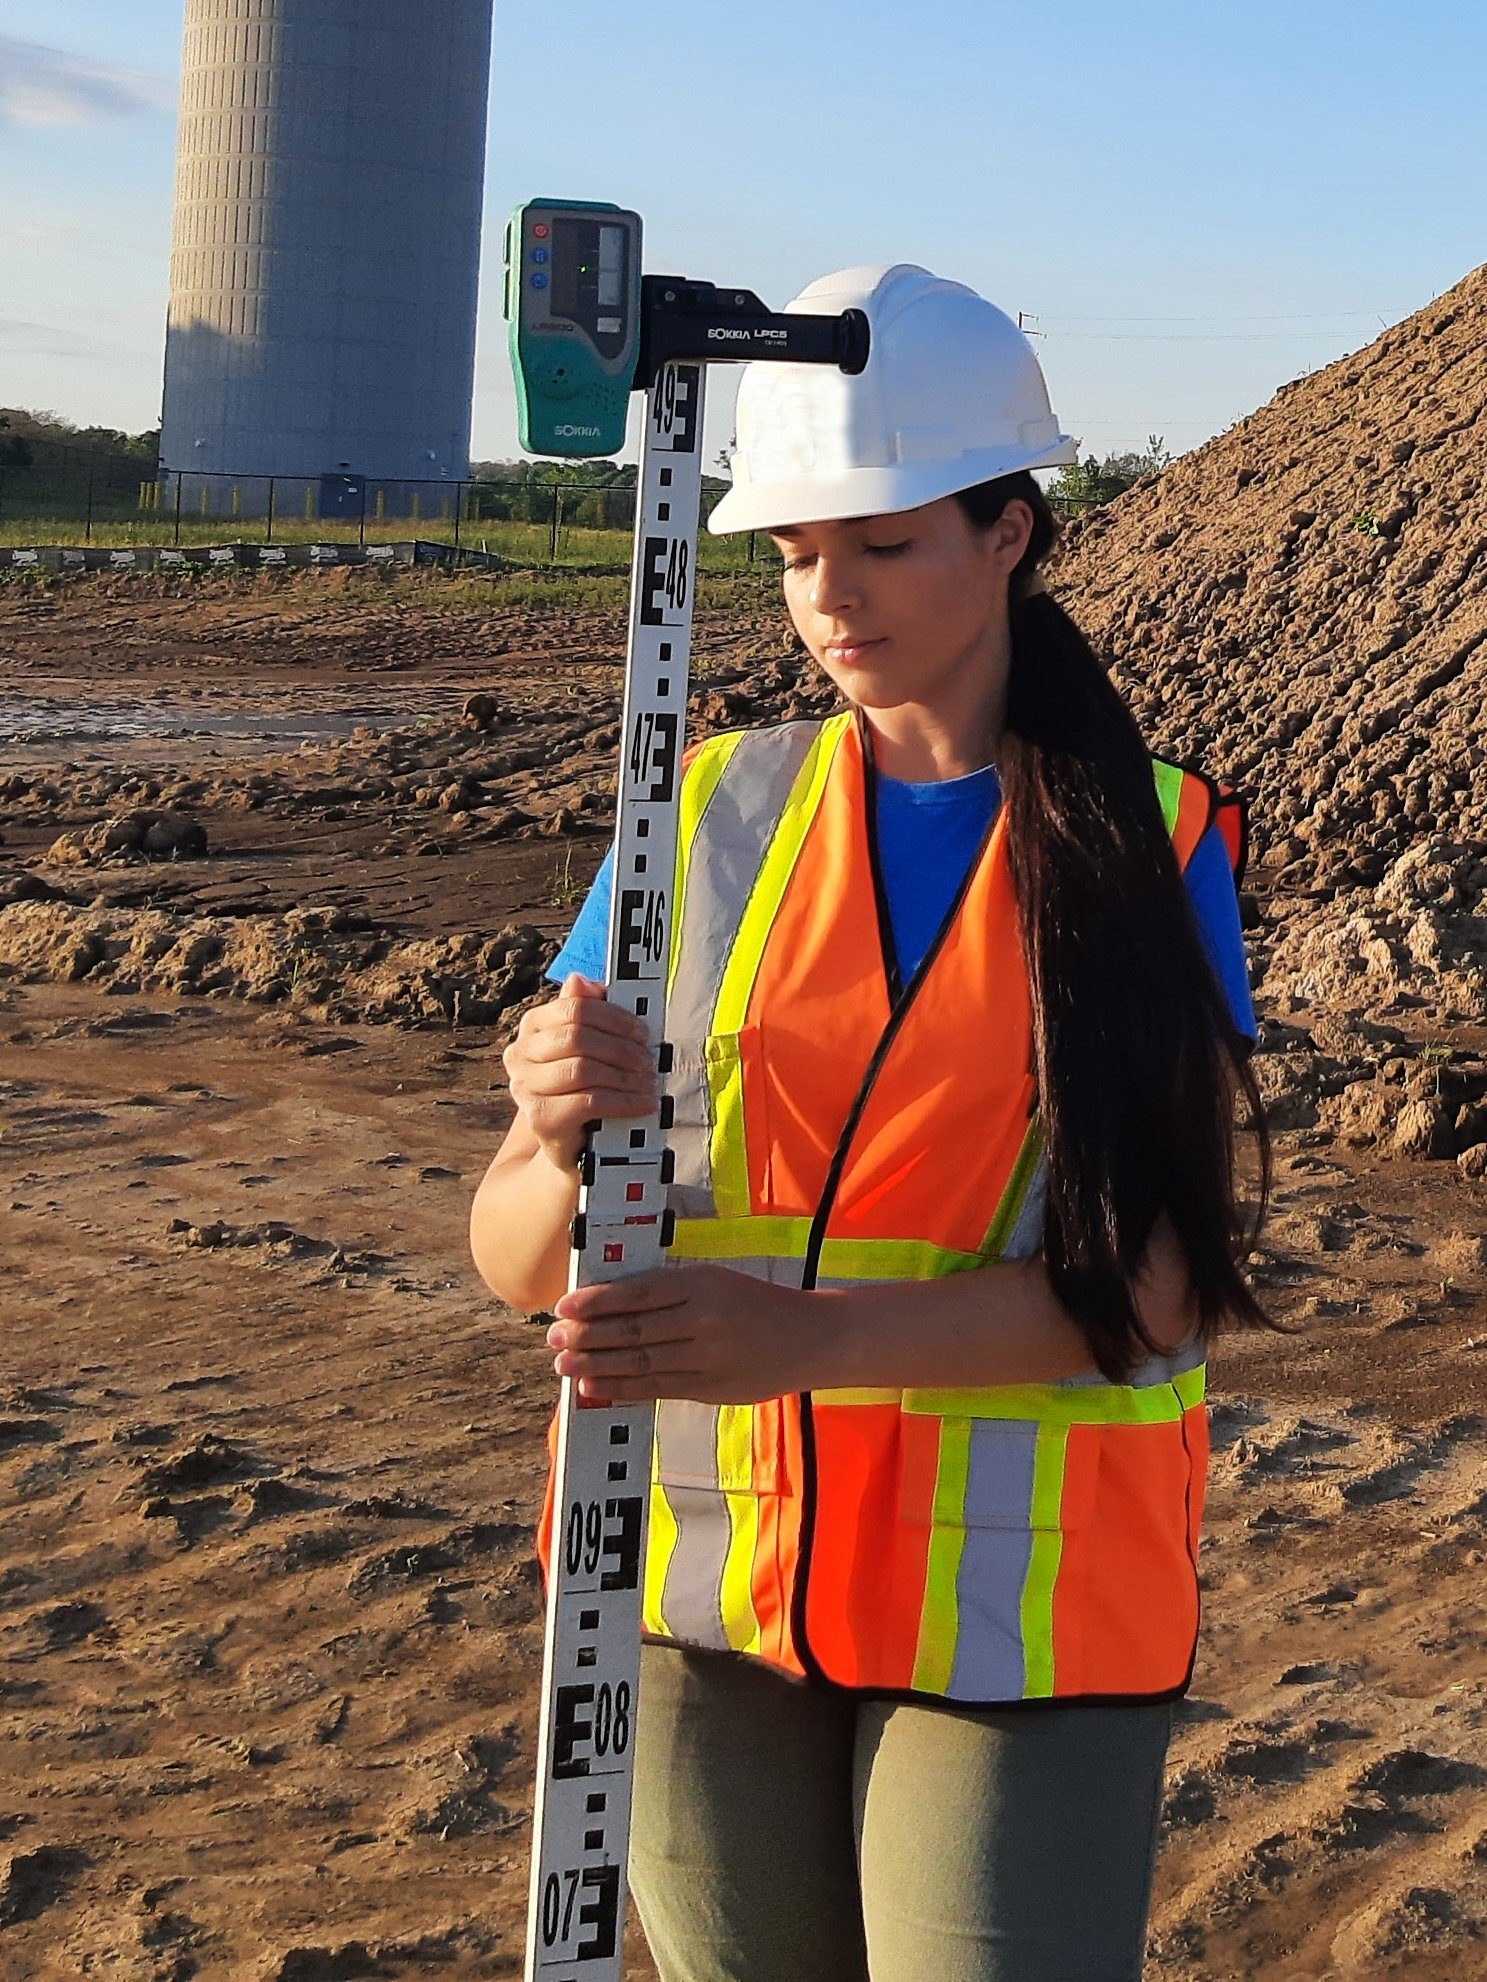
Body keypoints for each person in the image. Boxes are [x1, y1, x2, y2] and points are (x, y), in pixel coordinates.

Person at [470, 263, 1271, 1982]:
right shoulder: (693, 815)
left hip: (1021, 1623)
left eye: (884, 540)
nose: (829, 595)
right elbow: (512, 1261)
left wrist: (806, 1336)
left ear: (1011, 533)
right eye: (792, 550)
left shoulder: (1151, 842)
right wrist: (546, 1139)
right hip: (692, 1587)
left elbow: (1155, 1297)